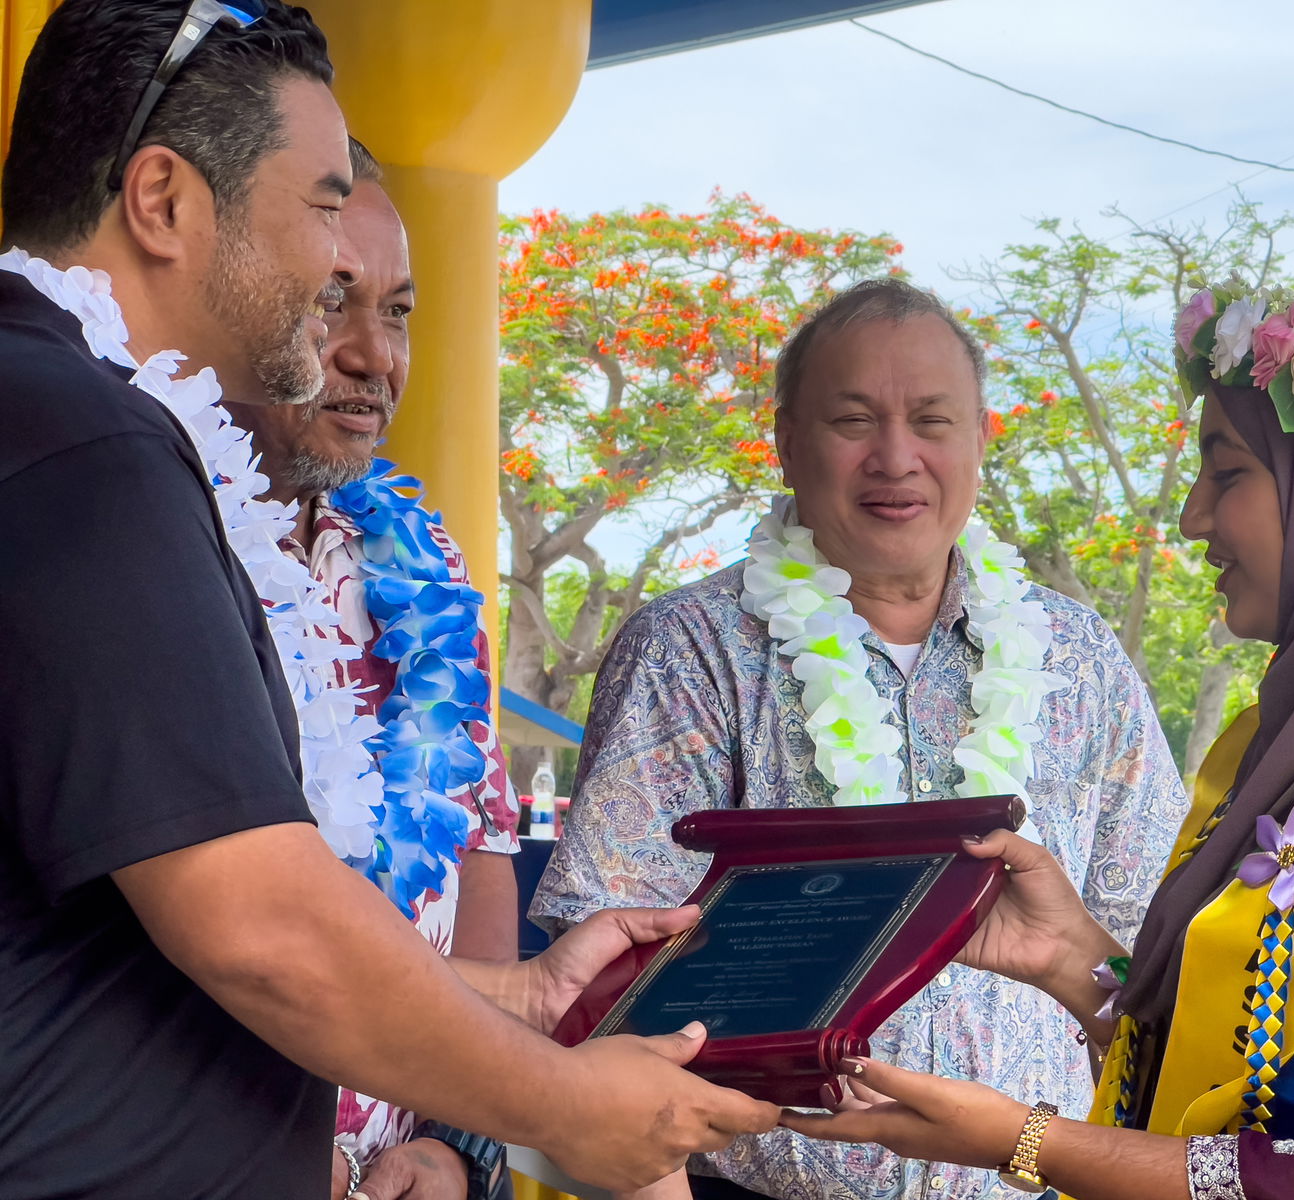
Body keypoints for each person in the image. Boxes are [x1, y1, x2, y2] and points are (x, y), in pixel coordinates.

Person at [0, 4, 777, 1198]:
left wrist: (518, 993)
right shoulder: (82, 439)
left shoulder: (68, 413)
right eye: (320, 206)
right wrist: (567, 1106)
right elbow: (258, 924)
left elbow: (121, 924)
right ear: (163, 201)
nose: (332, 274)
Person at [782, 283, 1294, 1200]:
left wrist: (1027, 1142)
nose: (1193, 519)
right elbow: (1239, 1070)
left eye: (1229, 472)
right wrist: (1073, 960)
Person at [533, 277, 1190, 1200]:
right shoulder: (688, 649)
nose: (896, 457)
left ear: (981, 440)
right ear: (787, 441)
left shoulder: (1079, 655)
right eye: (853, 421)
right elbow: (605, 985)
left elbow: (1149, 962)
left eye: (931, 419)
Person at [222, 138, 521, 1199]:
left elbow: (478, 840)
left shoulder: (422, 562)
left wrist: (453, 1137)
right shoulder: (156, 540)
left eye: (395, 311)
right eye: (328, 300)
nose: (370, 355)